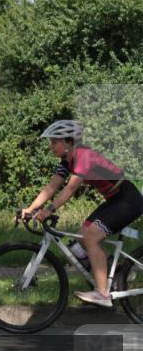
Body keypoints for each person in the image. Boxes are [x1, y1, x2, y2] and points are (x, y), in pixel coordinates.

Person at [22, 120, 143, 307]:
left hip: (127, 200)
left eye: (55, 142)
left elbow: (69, 190)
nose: (51, 146)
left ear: (69, 142)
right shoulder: (67, 162)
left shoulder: (84, 156)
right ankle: (114, 271)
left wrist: (49, 210)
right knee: (80, 238)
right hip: (115, 200)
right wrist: (30, 209)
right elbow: (51, 187)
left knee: (91, 238)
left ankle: (102, 293)